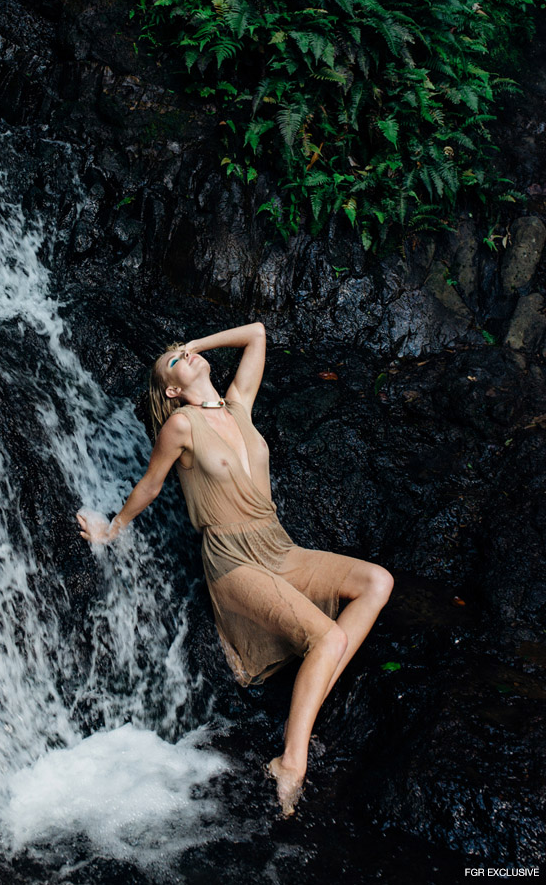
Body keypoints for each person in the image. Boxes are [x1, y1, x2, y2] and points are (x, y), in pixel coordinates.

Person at [76, 322, 394, 815]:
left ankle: (306, 705)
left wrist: (193, 347)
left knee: (378, 581)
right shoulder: (181, 425)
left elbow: (259, 333)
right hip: (232, 559)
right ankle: (290, 762)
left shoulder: (238, 405)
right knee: (328, 638)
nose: (185, 355)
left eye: (185, 352)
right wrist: (112, 528)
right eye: (175, 362)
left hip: (278, 545)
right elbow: (151, 486)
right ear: (173, 390)